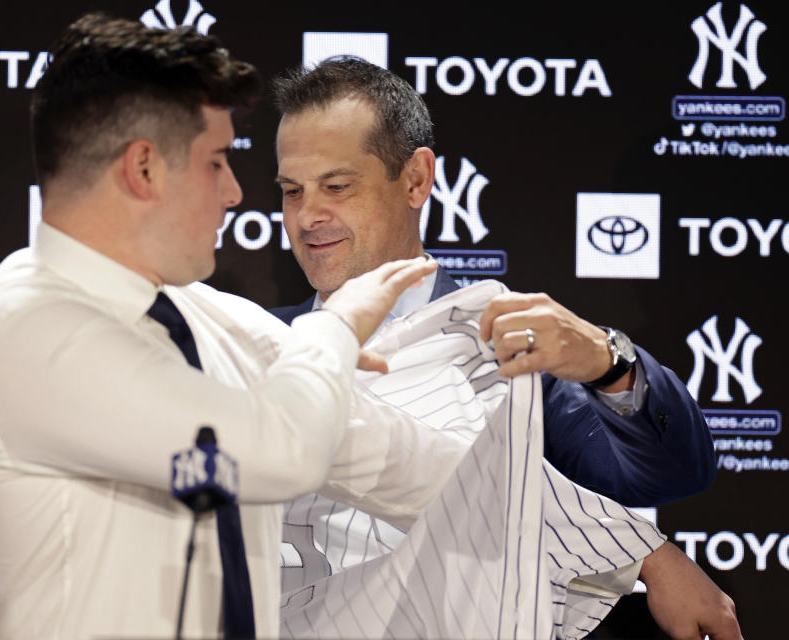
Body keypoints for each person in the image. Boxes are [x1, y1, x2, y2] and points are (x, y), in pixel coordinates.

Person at [0, 14, 444, 639]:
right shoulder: (24, 329)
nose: (235, 193)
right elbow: (281, 449)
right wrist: (333, 333)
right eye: (216, 162)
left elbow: (388, 457)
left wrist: (507, 482)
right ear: (144, 169)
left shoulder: (211, 317)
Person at [268, 58, 738, 637]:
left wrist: (609, 364)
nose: (308, 216)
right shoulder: (256, 347)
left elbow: (673, 475)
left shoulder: (506, 348)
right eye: (292, 191)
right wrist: (648, 555)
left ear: (416, 179)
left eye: (337, 186)